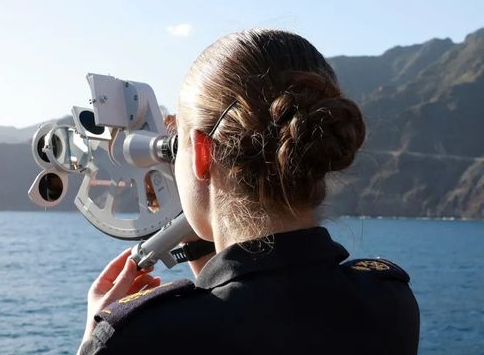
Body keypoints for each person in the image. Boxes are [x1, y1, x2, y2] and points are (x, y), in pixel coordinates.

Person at [78, 29, 420, 354]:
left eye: (178, 144)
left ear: (201, 152)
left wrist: (97, 342)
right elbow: (259, 306)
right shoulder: (390, 301)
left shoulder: (139, 338)